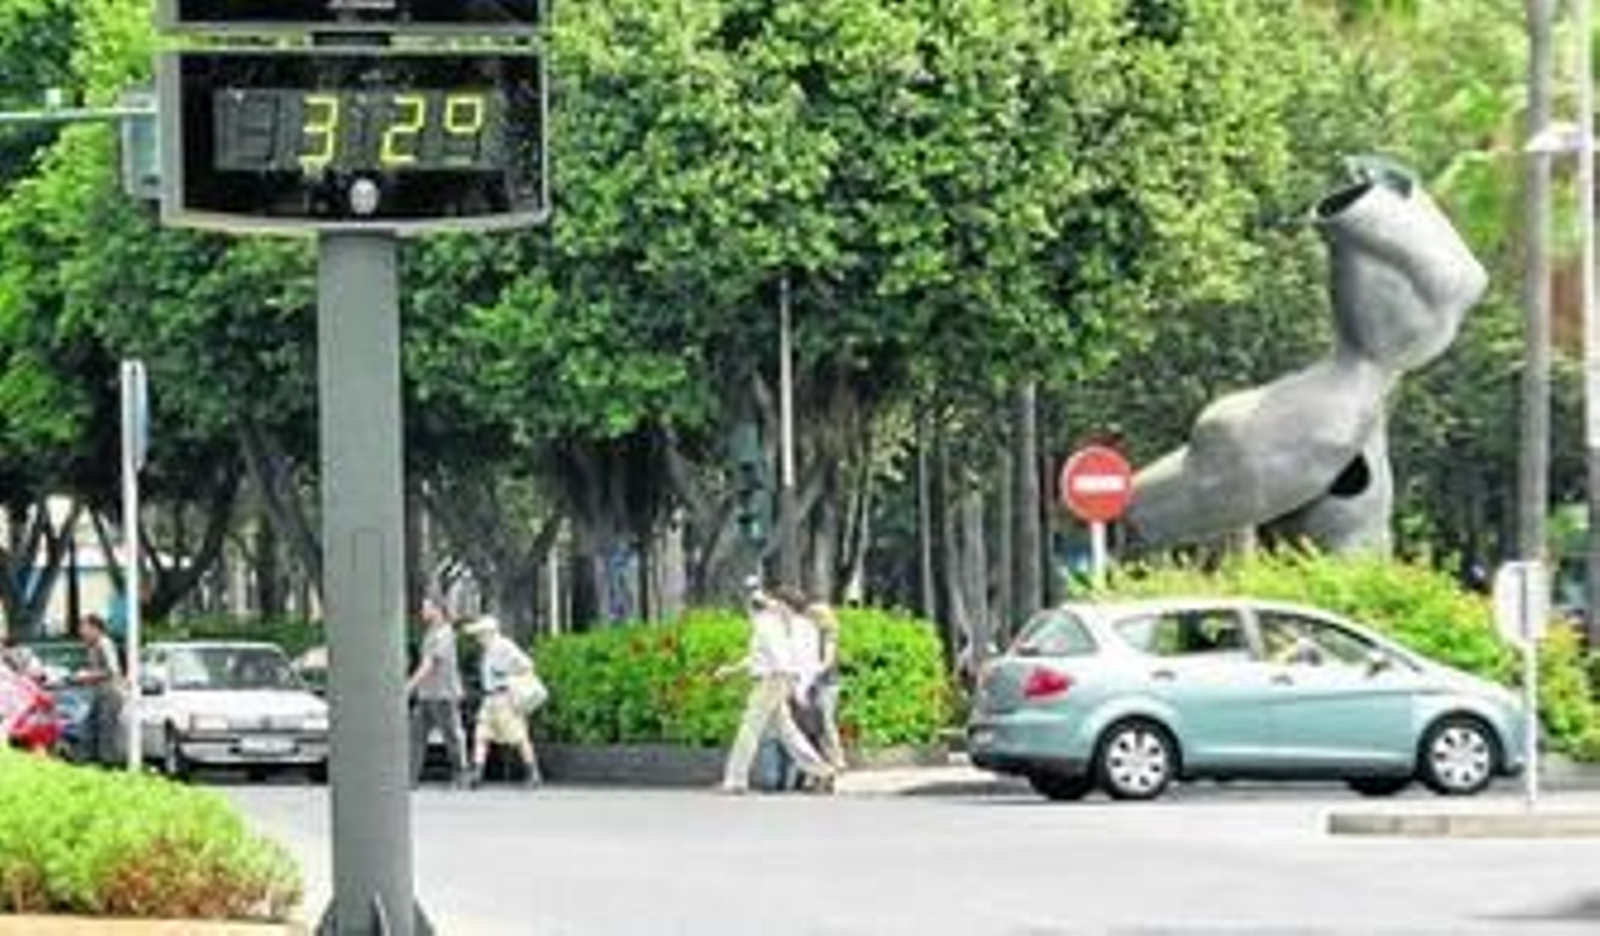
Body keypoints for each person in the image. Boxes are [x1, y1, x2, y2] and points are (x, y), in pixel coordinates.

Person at [714, 585, 837, 794]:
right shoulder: (777, 623)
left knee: (749, 729)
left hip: (771, 680)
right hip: (776, 678)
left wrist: (789, 678)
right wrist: (732, 670)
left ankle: (735, 780)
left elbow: (776, 655)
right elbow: (759, 656)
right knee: (787, 732)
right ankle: (822, 771)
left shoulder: (768, 623)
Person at [462, 615, 543, 788]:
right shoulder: (488, 649)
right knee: (481, 734)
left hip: (504, 698)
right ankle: (477, 773)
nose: (477, 638)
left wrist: (507, 674)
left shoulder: (504, 646)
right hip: (490, 698)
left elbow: (527, 664)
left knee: (518, 736)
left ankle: (533, 772)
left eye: (480, 633)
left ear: (489, 632)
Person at [406, 598, 469, 788]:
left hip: (444, 695)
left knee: (451, 737)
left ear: (438, 610)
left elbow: (429, 665)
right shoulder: (431, 633)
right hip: (426, 695)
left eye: (426, 607)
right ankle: (410, 779)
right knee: (416, 736)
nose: (422, 611)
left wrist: (409, 686)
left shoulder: (444, 634)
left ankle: (460, 775)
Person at [72, 614, 125, 766]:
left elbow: (112, 671)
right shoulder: (92, 646)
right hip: (98, 693)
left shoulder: (105, 644)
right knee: (88, 728)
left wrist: (87, 675)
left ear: (95, 628)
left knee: (106, 732)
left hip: (110, 694)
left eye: (84, 627)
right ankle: (88, 762)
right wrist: (84, 676)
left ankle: (108, 765)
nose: (81, 631)